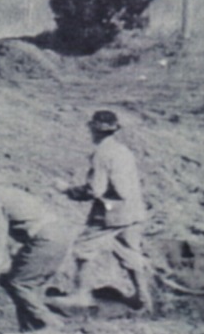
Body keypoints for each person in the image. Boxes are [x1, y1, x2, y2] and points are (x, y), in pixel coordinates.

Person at [54, 110, 152, 312]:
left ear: (93, 129)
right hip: (133, 211)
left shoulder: (101, 154)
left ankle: (81, 295)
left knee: (83, 247)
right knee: (130, 253)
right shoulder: (123, 151)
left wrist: (67, 190)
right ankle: (142, 297)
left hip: (111, 212)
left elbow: (94, 189)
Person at [0, 167, 70, 332]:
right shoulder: (10, 193)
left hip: (45, 240)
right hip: (58, 236)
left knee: (19, 283)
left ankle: (52, 325)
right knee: (27, 285)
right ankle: (30, 329)